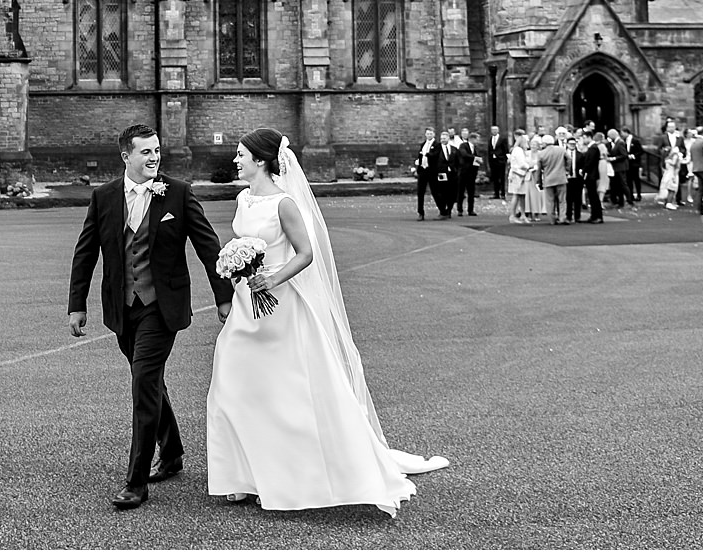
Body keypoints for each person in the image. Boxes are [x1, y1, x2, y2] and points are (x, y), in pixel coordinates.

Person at [207, 129, 448, 511]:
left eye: (241, 155)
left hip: (280, 303)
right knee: (232, 383)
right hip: (245, 302)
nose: (235, 161)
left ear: (261, 160)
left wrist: (271, 277)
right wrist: (235, 265)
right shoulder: (242, 197)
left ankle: (294, 475)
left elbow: (305, 254)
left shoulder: (284, 203)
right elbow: (242, 241)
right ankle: (242, 474)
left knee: (284, 391)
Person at [68, 123, 235, 509]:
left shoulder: (177, 193)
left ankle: (136, 482)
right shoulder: (104, 196)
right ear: (126, 156)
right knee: (150, 381)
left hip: (162, 307)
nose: (154, 157)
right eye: (146, 152)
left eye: (157, 150)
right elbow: (85, 253)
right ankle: (173, 450)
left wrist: (223, 297)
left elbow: (208, 246)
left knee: (143, 384)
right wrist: (77, 304)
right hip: (123, 308)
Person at [536, 132, 568, 226]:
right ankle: (562, 218)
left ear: (544, 143)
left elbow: (539, 169)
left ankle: (552, 219)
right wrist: (566, 169)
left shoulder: (541, 154)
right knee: (562, 200)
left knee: (550, 201)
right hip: (561, 177)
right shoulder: (561, 150)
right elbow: (569, 159)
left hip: (548, 178)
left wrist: (539, 181)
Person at [507, 131, 537, 224]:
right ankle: (512, 215)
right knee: (516, 195)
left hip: (522, 175)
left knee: (522, 195)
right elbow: (521, 164)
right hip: (517, 175)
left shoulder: (521, 151)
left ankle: (523, 215)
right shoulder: (518, 150)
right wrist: (531, 165)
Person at [414, 128, 438, 222]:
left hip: (431, 171)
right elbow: (420, 156)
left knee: (435, 191)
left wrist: (428, 154)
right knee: (420, 192)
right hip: (422, 170)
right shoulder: (423, 144)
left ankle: (443, 210)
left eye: (431, 133)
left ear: (434, 134)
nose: (429, 135)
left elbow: (435, 155)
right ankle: (420, 212)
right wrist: (418, 166)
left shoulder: (437, 145)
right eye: (427, 134)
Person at [487, 125, 509, 201]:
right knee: (495, 177)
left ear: (498, 130)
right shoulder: (490, 139)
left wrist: (505, 159)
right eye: (493, 130)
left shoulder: (502, 139)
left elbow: (506, 149)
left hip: (501, 160)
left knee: (502, 177)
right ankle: (496, 193)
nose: (494, 131)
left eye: (495, 130)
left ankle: (503, 193)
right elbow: (489, 150)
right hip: (493, 161)